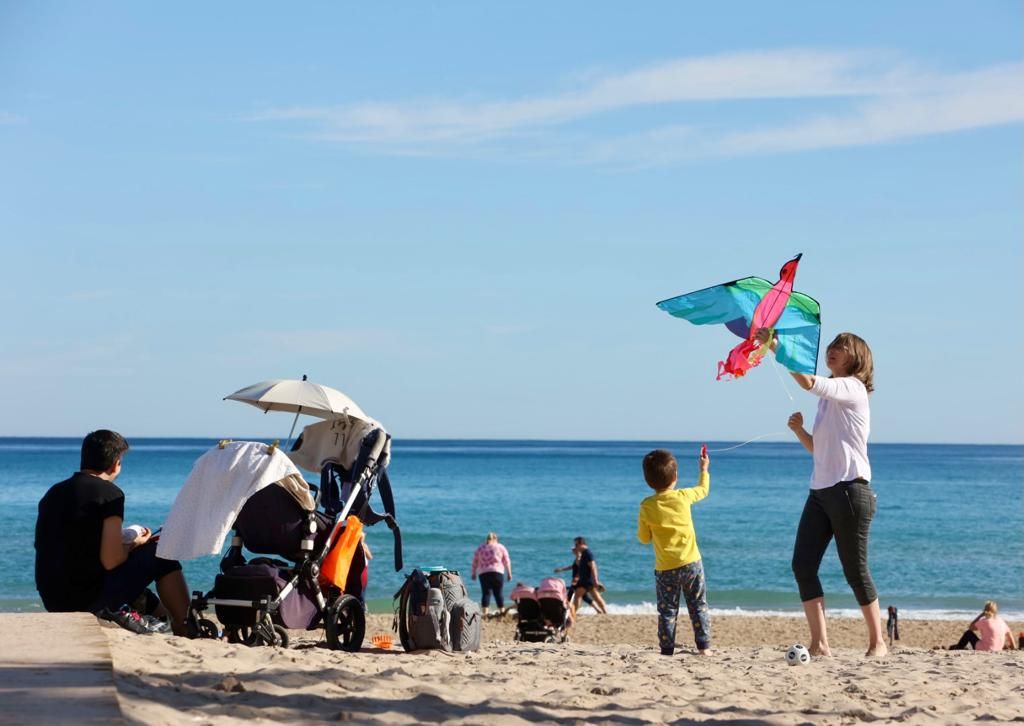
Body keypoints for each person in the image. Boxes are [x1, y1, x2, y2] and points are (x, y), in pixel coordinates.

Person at [757, 329, 885, 657]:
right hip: (821, 491)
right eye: (832, 346)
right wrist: (800, 431)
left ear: (857, 357)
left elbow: (809, 383)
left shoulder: (852, 388)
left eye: (841, 347)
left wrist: (774, 345)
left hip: (850, 490)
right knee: (803, 565)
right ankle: (820, 644)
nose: (833, 350)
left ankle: (878, 643)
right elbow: (820, 450)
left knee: (855, 570)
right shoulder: (830, 402)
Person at [34, 430, 191, 636]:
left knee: (137, 578)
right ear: (116, 463)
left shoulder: (54, 492)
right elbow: (112, 560)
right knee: (162, 554)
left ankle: (160, 618)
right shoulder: (109, 494)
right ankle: (186, 626)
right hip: (87, 600)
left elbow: (82, 549)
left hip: (53, 600)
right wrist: (137, 543)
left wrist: (129, 545)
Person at [637, 448, 712, 656]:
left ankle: (667, 649)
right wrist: (704, 469)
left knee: (667, 610)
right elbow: (703, 489)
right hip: (692, 564)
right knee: (698, 605)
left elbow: (643, 538)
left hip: (665, 569)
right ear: (675, 477)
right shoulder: (683, 496)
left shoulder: (646, 506)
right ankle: (704, 647)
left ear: (647, 480)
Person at [470, 532, 513, 617]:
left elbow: (475, 561)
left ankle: (485, 613)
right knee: (498, 593)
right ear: (496, 539)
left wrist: (474, 573)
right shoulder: (500, 547)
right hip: (498, 572)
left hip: (484, 573)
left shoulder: (480, 548)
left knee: (486, 593)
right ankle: (502, 612)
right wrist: (509, 573)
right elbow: (507, 561)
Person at [948, 601, 1016, 651]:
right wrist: (1014, 647)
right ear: (995, 611)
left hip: (985, 649)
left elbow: (971, 627)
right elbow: (1010, 635)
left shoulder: (985, 621)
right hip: (998, 649)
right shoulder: (1001, 621)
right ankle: (958, 647)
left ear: (985, 610)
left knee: (968, 633)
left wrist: (980, 615)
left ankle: (957, 648)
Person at [571, 537, 608, 614]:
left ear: (582, 544)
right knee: (596, 597)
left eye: (576, 544)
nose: (575, 546)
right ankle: (605, 612)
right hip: (585, 580)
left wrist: (595, 580)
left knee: (578, 596)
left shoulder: (588, 553)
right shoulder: (584, 553)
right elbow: (581, 567)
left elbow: (593, 567)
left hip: (587, 580)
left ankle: (573, 613)